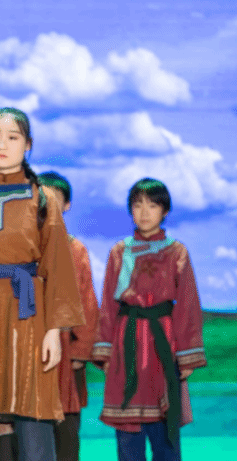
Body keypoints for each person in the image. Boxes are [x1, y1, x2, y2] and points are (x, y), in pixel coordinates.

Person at [0, 108, 84, 461]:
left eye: (13, 137)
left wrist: (54, 332)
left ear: (28, 144)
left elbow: (58, 268)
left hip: (28, 316)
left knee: (34, 416)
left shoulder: (42, 198)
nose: (3, 144)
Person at [92, 178, 207, 461]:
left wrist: (186, 357)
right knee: (128, 439)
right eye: (137, 205)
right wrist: (105, 351)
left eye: (152, 205)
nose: (144, 212)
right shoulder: (120, 252)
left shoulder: (176, 252)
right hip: (126, 344)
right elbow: (108, 305)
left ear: (165, 211)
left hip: (162, 346)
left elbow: (188, 306)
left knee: (165, 437)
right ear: (130, 210)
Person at [38, 171, 100, 461]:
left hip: (65, 350)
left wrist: (80, 351)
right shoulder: (25, 244)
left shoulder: (75, 249)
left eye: (55, 200)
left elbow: (87, 304)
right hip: (30, 347)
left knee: (65, 428)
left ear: (67, 205)